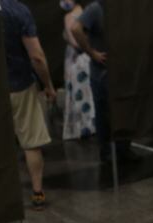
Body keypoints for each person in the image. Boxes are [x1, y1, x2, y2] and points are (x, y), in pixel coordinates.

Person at [1, 0, 55, 211]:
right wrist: (49, 85)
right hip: (20, 85)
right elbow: (37, 56)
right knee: (31, 142)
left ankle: (0, 197)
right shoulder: (19, 11)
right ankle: (37, 192)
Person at [71, 0, 136, 163]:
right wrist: (92, 53)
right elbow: (75, 29)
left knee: (124, 110)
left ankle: (123, 149)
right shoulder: (96, 8)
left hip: (122, 71)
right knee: (104, 113)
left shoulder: (121, 9)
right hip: (102, 73)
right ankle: (106, 151)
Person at [61, 1, 96, 141]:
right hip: (89, 57)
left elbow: (75, 42)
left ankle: (82, 127)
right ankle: (92, 124)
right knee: (89, 92)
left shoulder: (69, 17)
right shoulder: (87, 11)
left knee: (78, 94)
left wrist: (67, 38)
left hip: (77, 60)